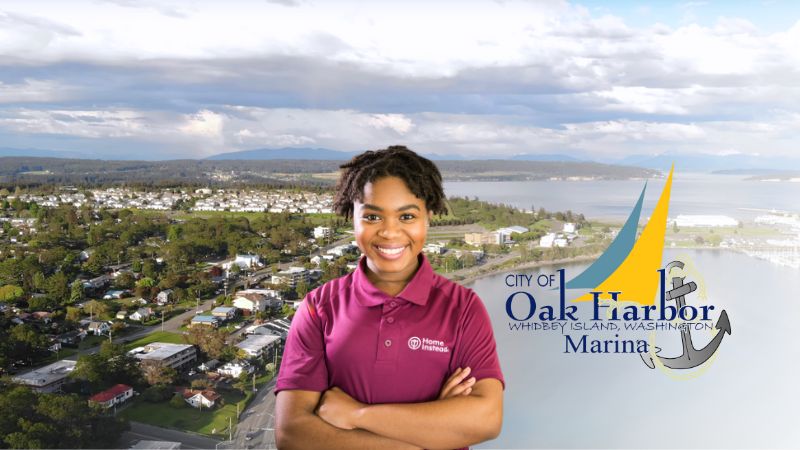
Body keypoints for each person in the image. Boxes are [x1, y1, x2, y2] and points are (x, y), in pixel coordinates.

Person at [275, 145, 504, 450]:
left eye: (407, 216)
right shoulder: (320, 307)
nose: (390, 232)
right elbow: (292, 435)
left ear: (428, 217)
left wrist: (356, 414)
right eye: (372, 217)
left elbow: (486, 419)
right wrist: (436, 431)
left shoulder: (462, 308)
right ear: (352, 217)